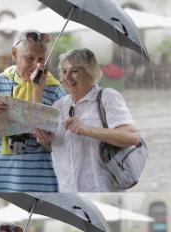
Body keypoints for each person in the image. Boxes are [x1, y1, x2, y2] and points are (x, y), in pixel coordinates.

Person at [36, 48, 140, 192]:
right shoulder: (59, 106)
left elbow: (131, 137)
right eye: (64, 71)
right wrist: (46, 142)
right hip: (67, 191)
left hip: (101, 189)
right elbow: (62, 147)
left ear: (90, 72)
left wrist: (88, 130)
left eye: (75, 71)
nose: (68, 77)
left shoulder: (107, 97)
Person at [0, 29, 66, 192]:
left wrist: (37, 90)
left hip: (40, 183)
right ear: (14, 54)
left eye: (41, 59)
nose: (36, 65)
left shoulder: (56, 91)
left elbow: (64, 146)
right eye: (29, 58)